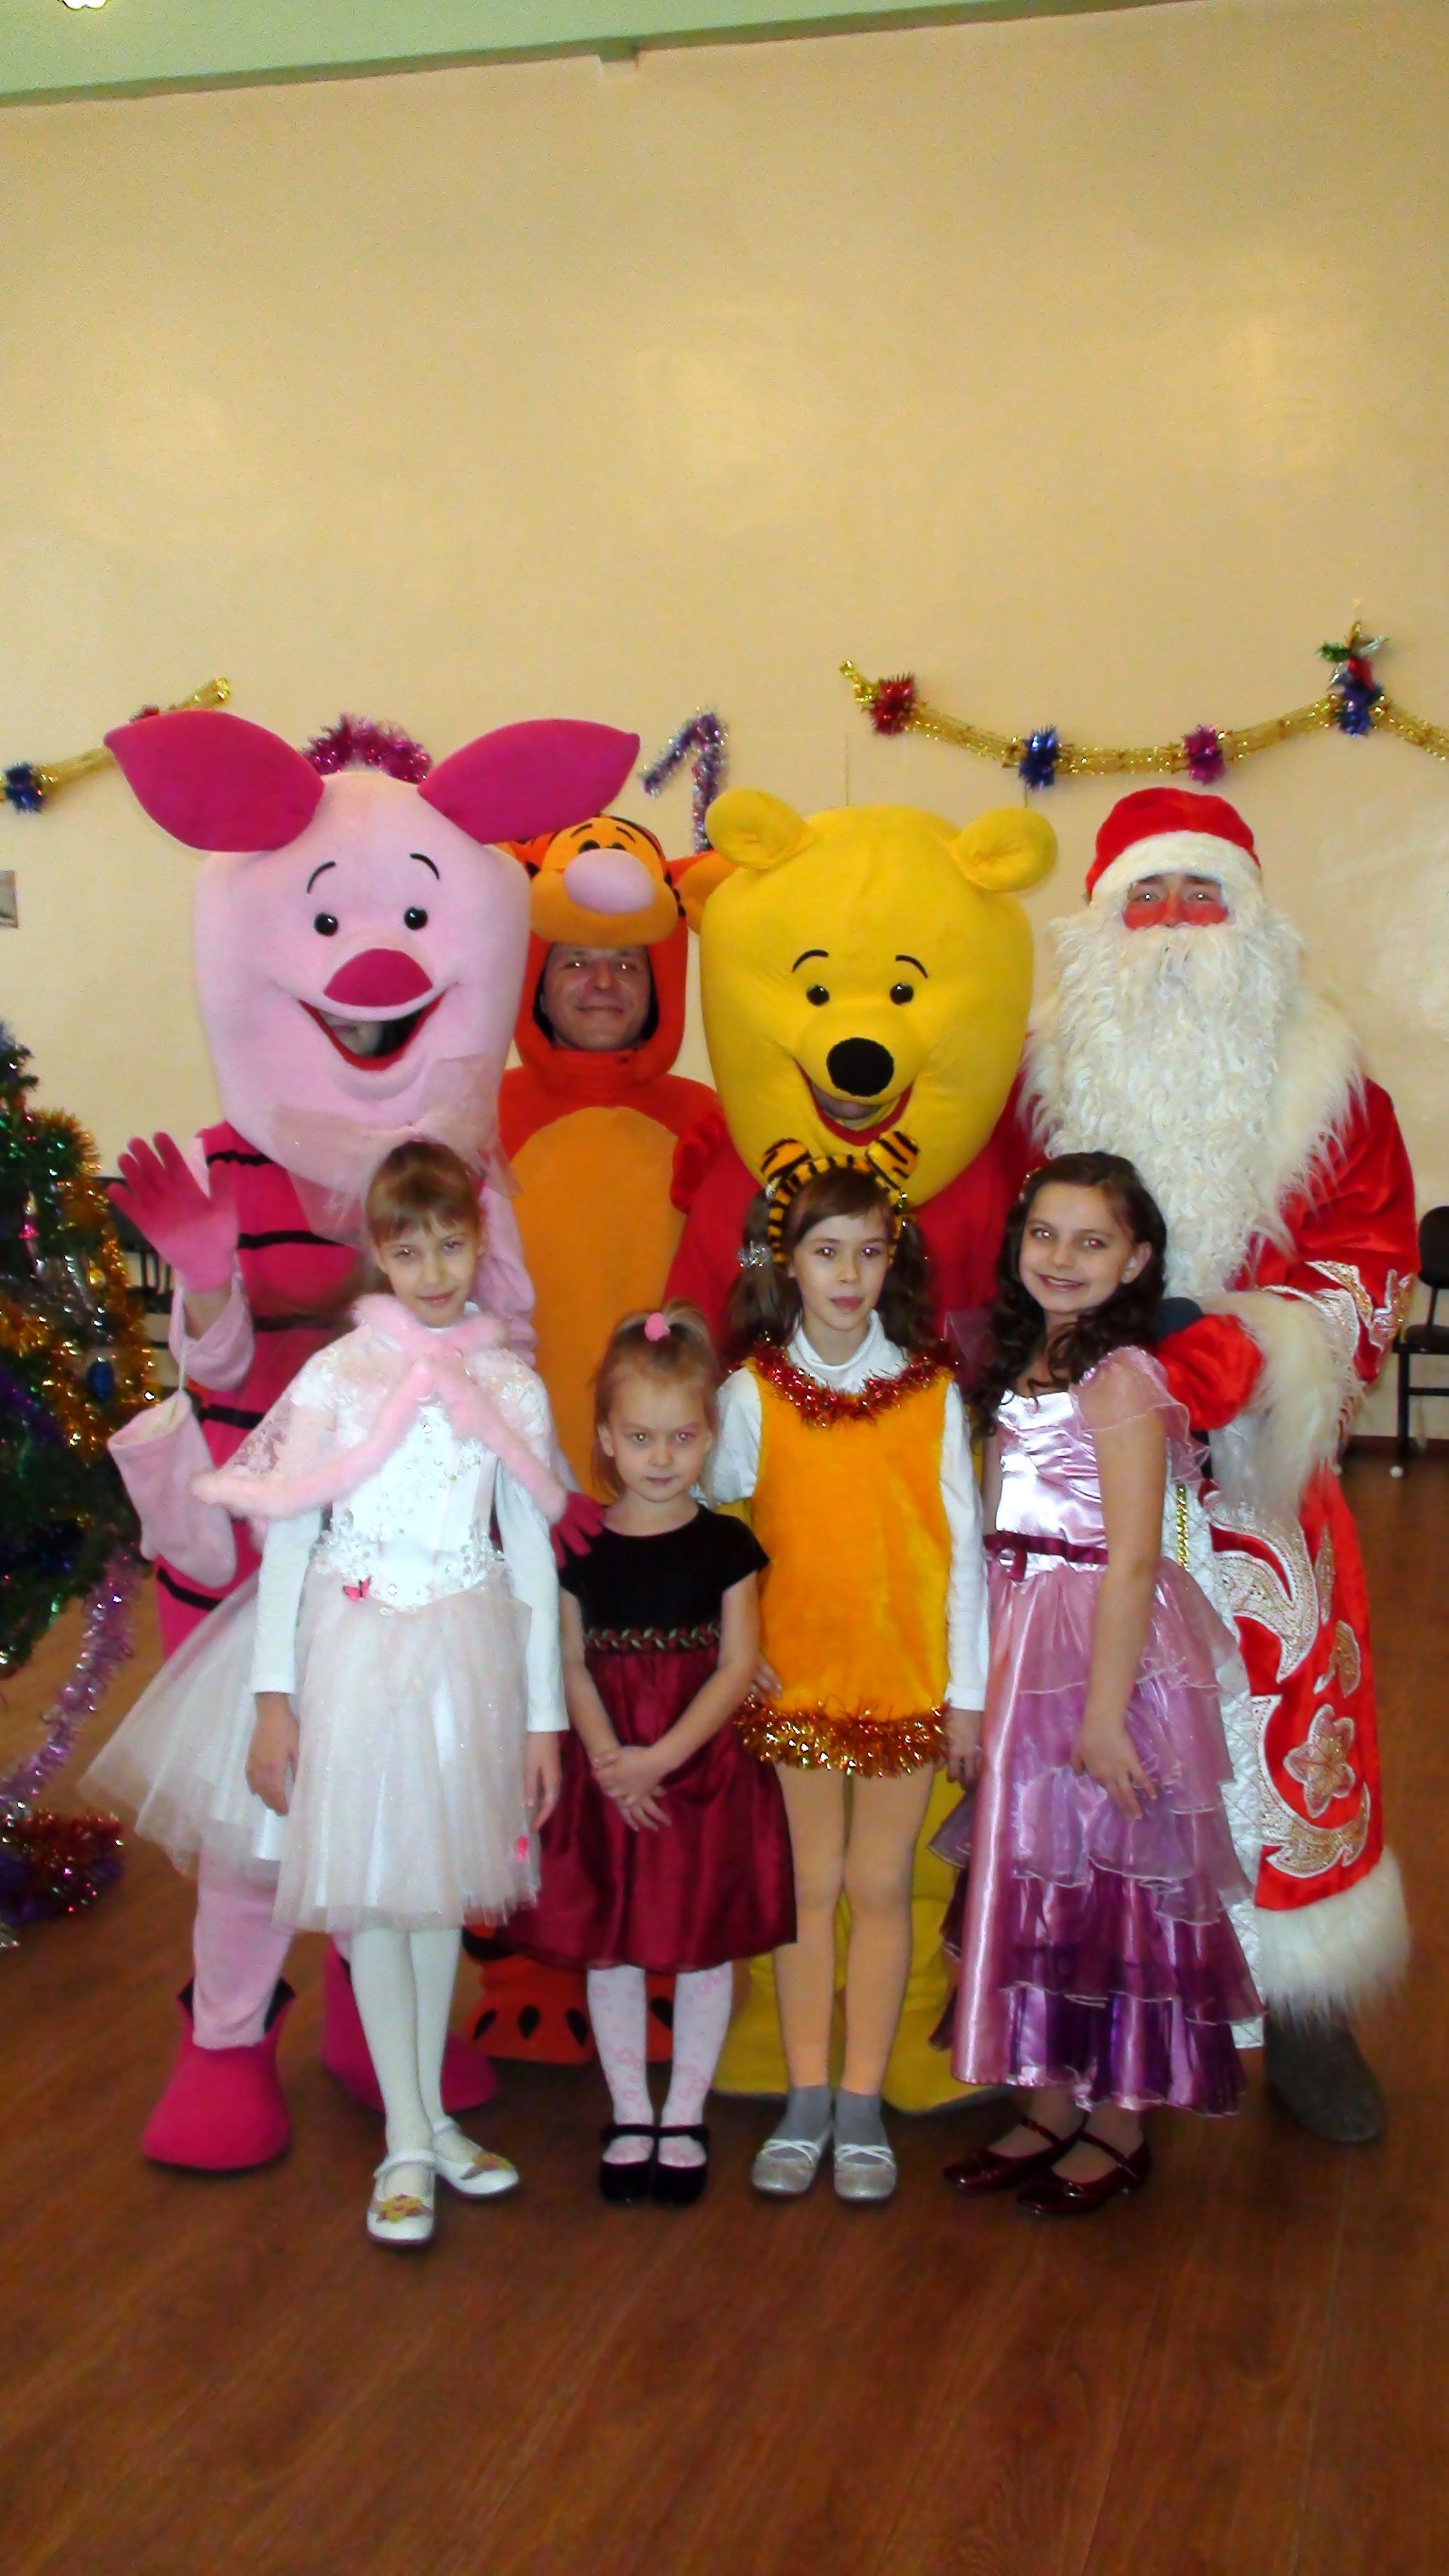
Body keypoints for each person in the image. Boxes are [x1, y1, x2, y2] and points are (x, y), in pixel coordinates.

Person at [1021, 786, 1417, 2142]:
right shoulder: (1042, 1073)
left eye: (1204, 896)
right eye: (1149, 897)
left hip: (1255, 1475)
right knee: (1094, 1736)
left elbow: (1371, 1261)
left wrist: (1243, 1355)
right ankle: (1102, 2010)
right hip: (1083, 1469)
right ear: (1102, 922)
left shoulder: (1331, 1083)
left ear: (1253, 918)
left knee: (1285, 1725)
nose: (1179, 925)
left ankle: (1305, 2008)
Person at [88, 1142, 568, 2246]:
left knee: (435, 1900)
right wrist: (274, 1699)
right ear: (380, 1256)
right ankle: (406, 2141)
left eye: (452, 1245)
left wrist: (542, 1719)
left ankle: (428, 2119)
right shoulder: (341, 1374)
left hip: (462, 1667)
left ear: (479, 1244)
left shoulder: (509, 1383)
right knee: (378, 1905)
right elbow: (293, 1540)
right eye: (411, 1250)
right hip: (350, 1660)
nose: (435, 1271)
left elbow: (535, 1558)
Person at [941, 1155, 1259, 2214]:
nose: (1062, 1257)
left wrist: (1107, 1715)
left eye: (1092, 1241)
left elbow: (1131, 1558)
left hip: (1094, 1651)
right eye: (1045, 1234)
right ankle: (1049, 2099)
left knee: (1115, 1878)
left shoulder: (1119, 1378)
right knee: (1042, 1871)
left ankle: (1119, 2119)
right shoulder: (1022, 1358)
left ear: (1136, 1259)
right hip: (1023, 1632)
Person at [475, 814, 717, 2072]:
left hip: (666, 1487)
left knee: (649, 1721)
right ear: (536, 974)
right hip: (525, 1481)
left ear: (661, 975)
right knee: (525, 1723)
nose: (602, 981)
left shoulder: (705, 1115)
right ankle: (524, 1952)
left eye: (625, 962)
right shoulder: (487, 1109)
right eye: (575, 960)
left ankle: (662, 1954)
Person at [706, 1140, 988, 2203]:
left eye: (869, 1252)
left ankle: (862, 2101)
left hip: (905, 1684)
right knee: (807, 1888)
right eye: (826, 1251)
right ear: (789, 1262)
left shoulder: (932, 1394)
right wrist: (739, 1653)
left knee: (880, 1886)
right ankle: (807, 2094)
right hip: (796, 1685)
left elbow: (964, 1555)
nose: (847, 1274)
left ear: (892, 1263)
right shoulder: (751, 1394)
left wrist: (968, 1695)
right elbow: (718, 1530)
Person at [508, 1304, 794, 2203]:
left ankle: (686, 2112)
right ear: (606, 1437)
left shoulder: (727, 1545)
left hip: (696, 1770)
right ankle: (632, 2109)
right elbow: (567, 1661)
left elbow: (738, 1665)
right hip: (609, 1771)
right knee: (616, 1946)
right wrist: (609, 1759)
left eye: (681, 1436)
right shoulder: (579, 1547)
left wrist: (657, 1759)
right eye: (640, 1437)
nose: (661, 1456)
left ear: (709, 1436)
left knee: (702, 1944)